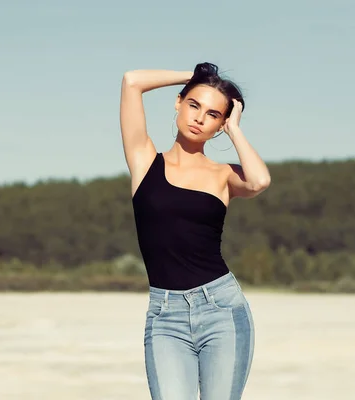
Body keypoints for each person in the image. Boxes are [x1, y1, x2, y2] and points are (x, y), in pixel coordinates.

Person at [119, 62, 271, 400]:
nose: (200, 117)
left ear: (219, 125)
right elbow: (132, 82)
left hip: (221, 309)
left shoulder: (223, 175)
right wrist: (194, 76)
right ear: (178, 102)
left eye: (213, 114)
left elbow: (259, 180)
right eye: (194, 105)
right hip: (164, 315)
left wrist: (235, 130)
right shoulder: (145, 161)